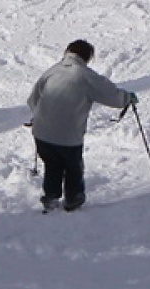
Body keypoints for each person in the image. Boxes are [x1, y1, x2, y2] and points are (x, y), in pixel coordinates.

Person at [26, 40, 138, 212]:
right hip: (68, 136)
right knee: (73, 167)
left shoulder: (52, 71)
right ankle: (73, 199)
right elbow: (111, 95)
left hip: (41, 133)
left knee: (52, 164)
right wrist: (127, 98)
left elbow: (33, 99)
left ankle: (50, 197)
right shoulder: (86, 76)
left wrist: (42, 116)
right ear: (87, 57)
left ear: (67, 51)